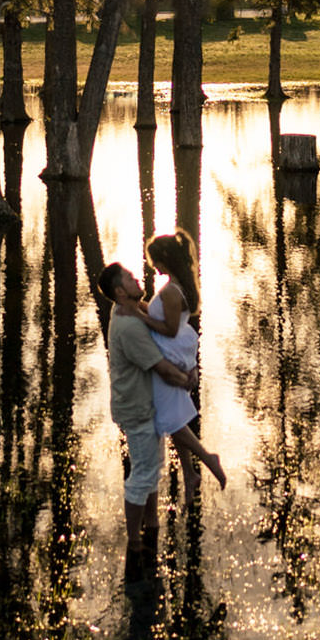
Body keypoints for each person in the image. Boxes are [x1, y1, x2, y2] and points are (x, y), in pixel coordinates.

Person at [99, 261, 196, 586]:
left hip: (143, 405)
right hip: (136, 409)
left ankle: (152, 524)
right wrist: (186, 379)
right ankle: (135, 544)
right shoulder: (128, 327)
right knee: (141, 475)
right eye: (129, 277)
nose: (136, 277)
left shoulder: (129, 312)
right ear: (119, 291)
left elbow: (152, 320)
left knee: (152, 468)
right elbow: (162, 369)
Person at [130, 230, 226, 495]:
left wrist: (140, 318)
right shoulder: (175, 286)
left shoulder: (172, 291)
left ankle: (207, 459)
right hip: (174, 350)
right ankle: (188, 472)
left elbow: (169, 329)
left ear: (164, 258)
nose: (153, 266)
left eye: (154, 261)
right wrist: (140, 306)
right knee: (173, 415)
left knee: (166, 417)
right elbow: (161, 315)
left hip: (168, 352)